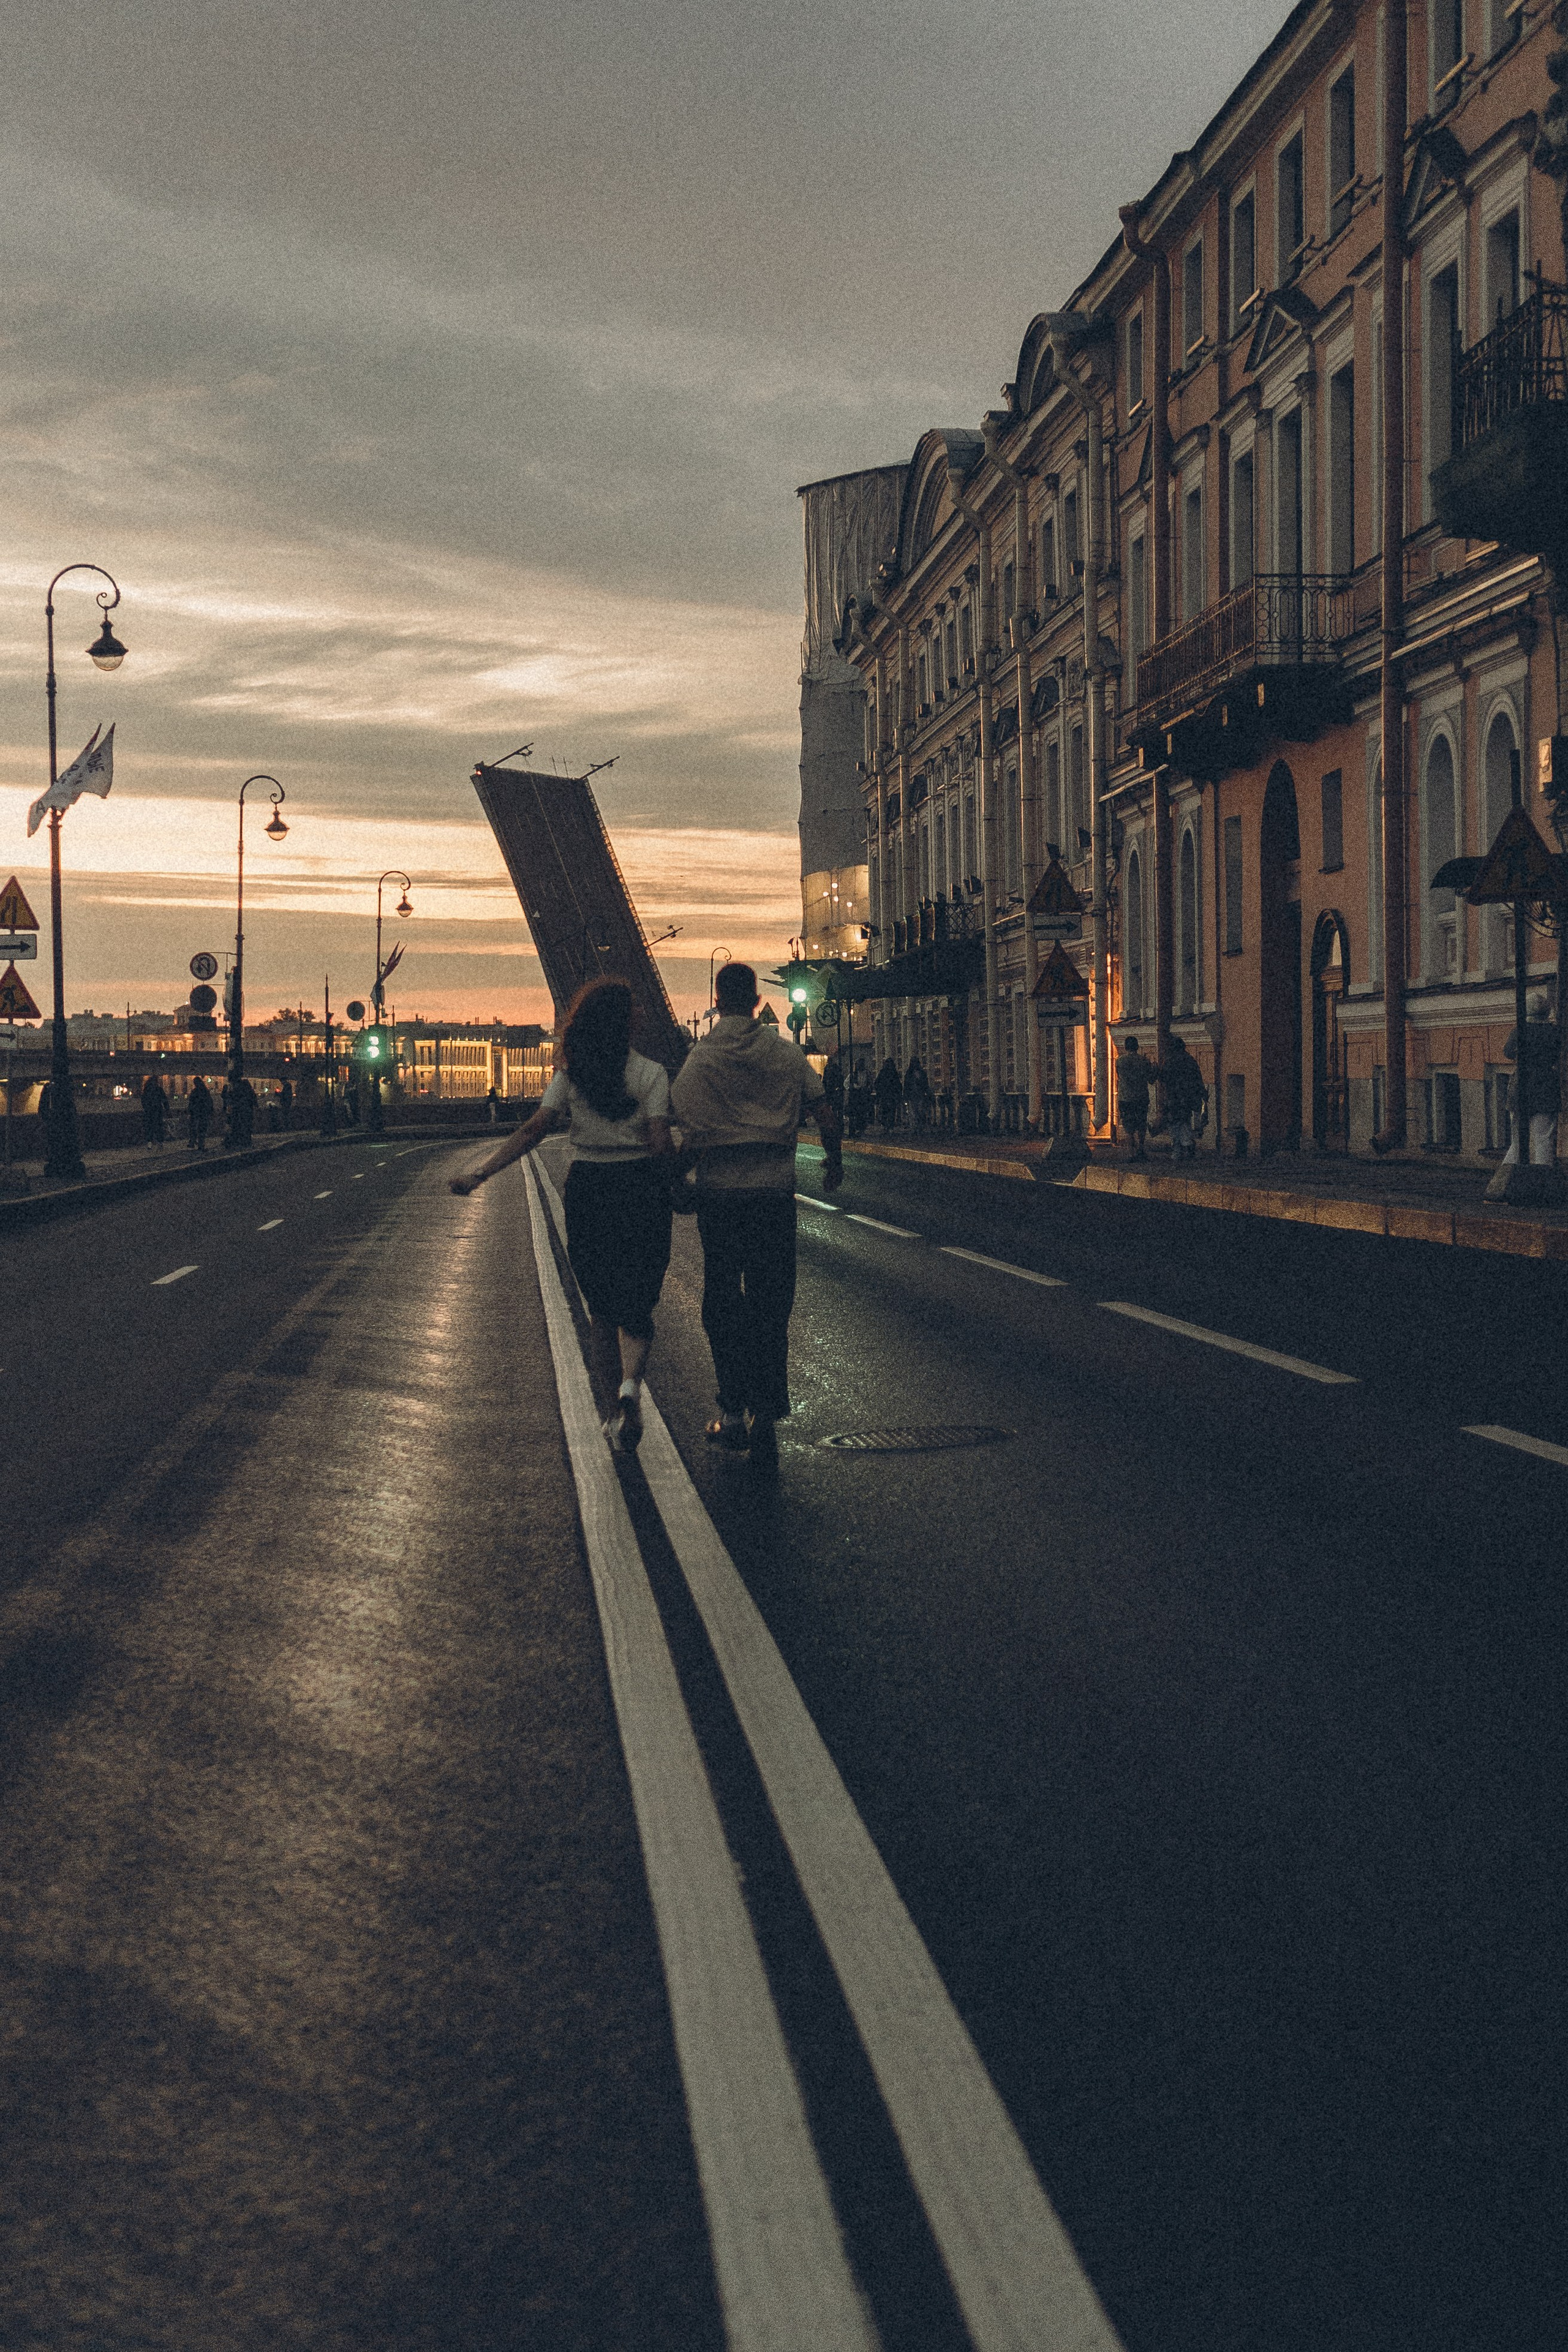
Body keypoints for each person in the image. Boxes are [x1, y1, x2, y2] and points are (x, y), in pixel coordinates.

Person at [451, 977, 672, 1453]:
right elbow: (659, 1144)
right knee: (638, 1305)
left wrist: (480, 1173)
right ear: (622, 1021)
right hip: (639, 1189)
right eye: (634, 1008)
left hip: (590, 1189)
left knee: (601, 1312)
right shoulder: (652, 1074)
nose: (641, 1013)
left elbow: (534, 1130)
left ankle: (613, 1414)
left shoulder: (573, 1075)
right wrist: (682, 1174)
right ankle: (631, 1385)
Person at [670, 962, 842, 1469]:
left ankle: (732, 1412)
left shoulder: (701, 1059)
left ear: (717, 1001)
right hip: (773, 1198)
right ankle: (767, 1411)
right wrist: (835, 1161)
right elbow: (825, 1112)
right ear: (755, 1001)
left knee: (723, 1304)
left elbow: (690, 1132)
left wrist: (674, 1181)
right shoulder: (786, 1054)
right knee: (771, 1306)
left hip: (721, 1200)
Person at [1500, 989, 1560, 1169]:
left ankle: (1505, 1178)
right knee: (1544, 1140)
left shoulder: (1520, 1031)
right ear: (1547, 1011)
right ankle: (1544, 1180)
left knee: (1517, 1142)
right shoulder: (1554, 1032)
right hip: (1546, 1087)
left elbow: (1508, 1053)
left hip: (1521, 1086)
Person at [1162, 1035, 1207, 1160]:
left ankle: (1179, 1149)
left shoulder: (1170, 1061)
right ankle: (1187, 1146)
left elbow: (1164, 1078)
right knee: (1185, 1120)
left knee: (1174, 1123)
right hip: (1188, 1097)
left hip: (1174, 1096)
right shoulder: (1190, 1060)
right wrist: (1202, 1093)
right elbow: (1197, 1078)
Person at [1116, 1037, 1158, 1159]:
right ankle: (1141, 1149)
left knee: (1128, 1127)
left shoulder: (1120, 1061)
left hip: (1125, 1098)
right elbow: (1151, 1080)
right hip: (1141, 1097)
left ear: (1125, 1047)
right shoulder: (1144, 1061)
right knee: (1141, 1124)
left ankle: (1131, 1153)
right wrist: (1155, 1069)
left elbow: (1119, 1076)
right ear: (1137, 1047)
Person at [903, 1055, 933, 1133]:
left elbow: (925, 1084)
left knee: (919, 1112)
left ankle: (918, 1127)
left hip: (918, 1095)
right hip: (915, 1095)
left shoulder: (912, 1073)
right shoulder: (913, 1073)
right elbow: (906, 1085)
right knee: (914, 1112)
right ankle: (916, 1127)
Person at [873, 1055, 903, 1132]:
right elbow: (877, 1083)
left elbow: (898, 1084)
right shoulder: (885, 1073)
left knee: (890, 1111)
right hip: (886, 1095)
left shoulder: (893, 1073)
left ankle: (889, 1126)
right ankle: (886, 1126)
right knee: (886, 1111)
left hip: (890, 1095)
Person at [140, 1074, 167, 1152]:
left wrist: (146, 1108)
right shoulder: (159, 1090)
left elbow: (143, 1101)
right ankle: (160, 1143)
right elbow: (164, 1100)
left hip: (149, 1111)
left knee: (149, 1127)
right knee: (159, 1127)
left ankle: (150, 1144)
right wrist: (167, 1109)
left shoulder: (147, 1090)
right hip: (158, 1111)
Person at [187, 1075, 213, 1153]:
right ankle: (201, 1145)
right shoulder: (205, 1091)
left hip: (196, 1112)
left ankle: (193, 1141)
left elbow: (191, 1102)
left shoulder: (195, 1092)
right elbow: (210, 1101)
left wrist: (190, 1111)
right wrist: (210, 1111)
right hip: (203, 1112)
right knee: (202, 1129)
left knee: (194, 1127)